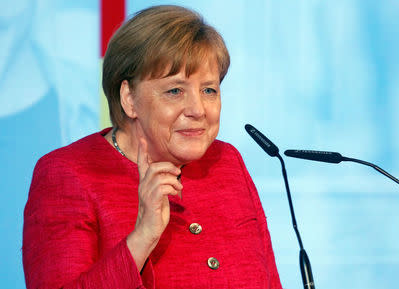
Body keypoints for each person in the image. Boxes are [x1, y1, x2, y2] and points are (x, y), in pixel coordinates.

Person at [23, 5, 282, 289]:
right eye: (175, 91)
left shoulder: (227, 162)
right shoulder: (67, 174)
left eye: (209, 90)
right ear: (129, 99)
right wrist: (143, 236)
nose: (197, 110)